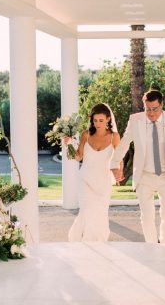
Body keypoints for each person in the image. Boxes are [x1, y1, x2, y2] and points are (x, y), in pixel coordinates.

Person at [110, 89, 165, 244]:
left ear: (161, 105)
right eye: (148, 109)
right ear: (144, 106)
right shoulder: (135, 120)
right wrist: (114, 164)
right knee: (146, 216)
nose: (151, 113)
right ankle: (152, 246)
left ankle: (164, 245)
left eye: (155, 109)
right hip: (144, 175)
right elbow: (124, 143)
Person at [67, 103, 121, 241]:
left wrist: (118, 172)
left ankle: (97, 243)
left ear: (108, 119)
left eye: (101, 120)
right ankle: (82, 241)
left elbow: (118, 158)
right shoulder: (86, 135)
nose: (97, 124)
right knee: (87, 210)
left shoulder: (114, 137)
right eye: (95, 120)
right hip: (85, 180)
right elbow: (78, 156)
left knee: (100, 214)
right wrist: (69, 144)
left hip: (103, 182)